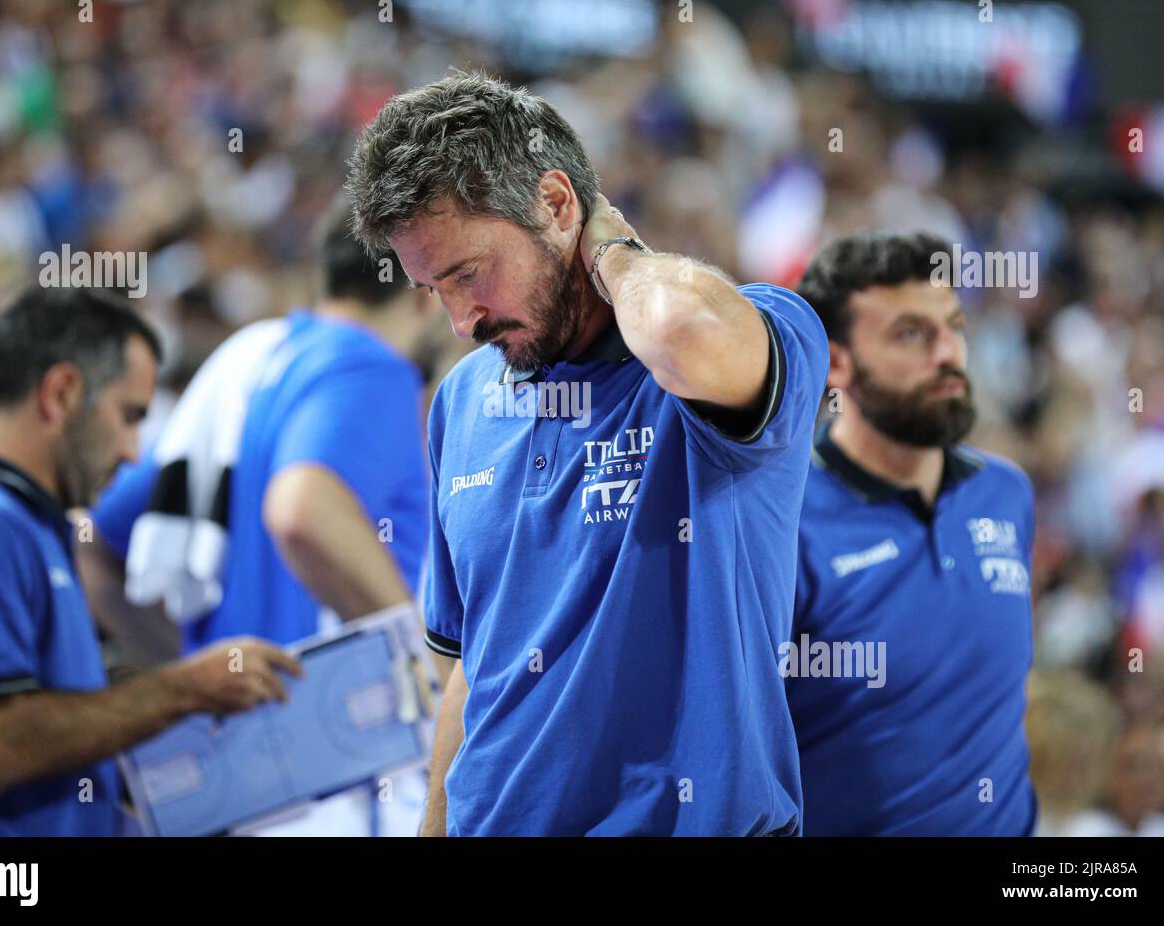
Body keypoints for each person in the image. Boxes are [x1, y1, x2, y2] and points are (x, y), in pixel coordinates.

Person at [346, 70, 829, 836]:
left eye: (468, 274)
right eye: (433, 288)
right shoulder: (465, 399)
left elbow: (677, 327)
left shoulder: (741, 337)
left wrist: (612, 252)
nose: (460, 320)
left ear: (556, 203)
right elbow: (478, 669)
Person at [81, 211, 446, 835]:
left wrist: (198, 672)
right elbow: (301, 508)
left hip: (229, 780)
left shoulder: (243, 360)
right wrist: (427, 664)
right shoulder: (370, 366)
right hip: (339, 784)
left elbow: (94, 547)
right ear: (423, 287)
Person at [0, 287, 300, 836]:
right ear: (61, 394)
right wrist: (185, 689)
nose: (133, 451)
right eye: (129, 416)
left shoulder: (24, 524)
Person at [790, 231, 1037, 835]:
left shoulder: (1006, 495)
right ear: (836, 361)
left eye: (954, 326)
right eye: (911, 334)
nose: (948, 353)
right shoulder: (788, 524)